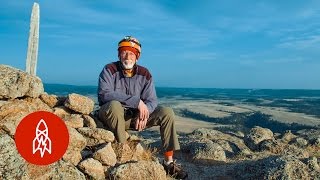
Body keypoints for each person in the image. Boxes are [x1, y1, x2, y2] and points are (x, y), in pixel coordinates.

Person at [98, 35, 188, 179]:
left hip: (134, 118)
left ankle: (169, 162)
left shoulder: (145, 74)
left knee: (166, 112)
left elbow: (152, 100)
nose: (128, 56)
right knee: (114, 105)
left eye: (132, 53)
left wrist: (144, 113)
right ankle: (122, 156)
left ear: (137, 57)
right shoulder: (109, 69)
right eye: (124, 52)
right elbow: (104, 95)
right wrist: (136, 102)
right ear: (119, 54)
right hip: (112, 115)